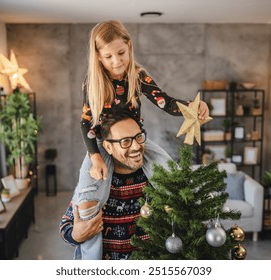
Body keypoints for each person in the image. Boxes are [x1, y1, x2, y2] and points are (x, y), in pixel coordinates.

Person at [66, 19, 209, 259]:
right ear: (99, 57)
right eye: (108, 56)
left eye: (121, 53)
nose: (117, 61)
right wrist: (95, 157)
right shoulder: (94, 82)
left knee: (169, 171)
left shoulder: (138, 75)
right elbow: (86, 122)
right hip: (103, 144)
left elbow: (165, 101)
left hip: (137, 138)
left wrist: (193, 108)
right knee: (87, 193)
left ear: (129, 46)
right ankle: (90, 259)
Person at [60, 113, 173, 260]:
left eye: (138, 137)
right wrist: (76, 235)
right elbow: (65, 226)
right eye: (125, 141)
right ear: (108, 147)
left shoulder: (155, 177)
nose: (136, 146)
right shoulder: (95, 184)